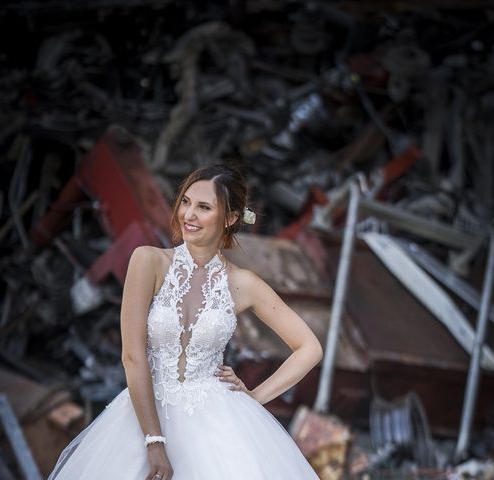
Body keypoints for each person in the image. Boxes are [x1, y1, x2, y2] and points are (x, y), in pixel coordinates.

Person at [48, 164, 323, 479]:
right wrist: (154, 441)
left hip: (217, 422)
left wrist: (254, 398)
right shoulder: (148, 261)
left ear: (231, 218)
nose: (189, 214)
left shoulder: (244, 284)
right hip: (142, 420)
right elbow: (132, 356)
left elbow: (309, 348)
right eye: (186, 202)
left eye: (203, 207)